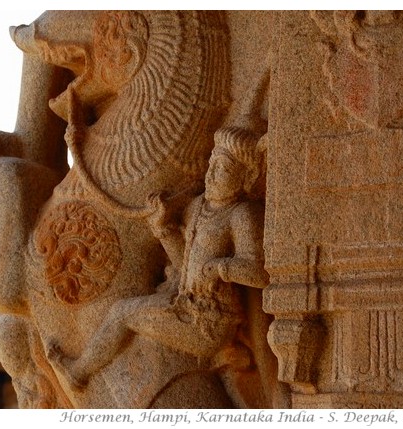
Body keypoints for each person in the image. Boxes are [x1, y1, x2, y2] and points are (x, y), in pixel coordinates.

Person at [47, 126, 275, 407]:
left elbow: (261, 273)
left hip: (209, 322)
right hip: (184, 303)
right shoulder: (197, 208)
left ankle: (78, 372)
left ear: (245, 178)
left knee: (122, 314)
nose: (213, 175)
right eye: (213, 164)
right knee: (126, 311)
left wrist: (220, 268)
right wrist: (164, 229)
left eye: (225, 170)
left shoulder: (239, 215)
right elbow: (183, 268)